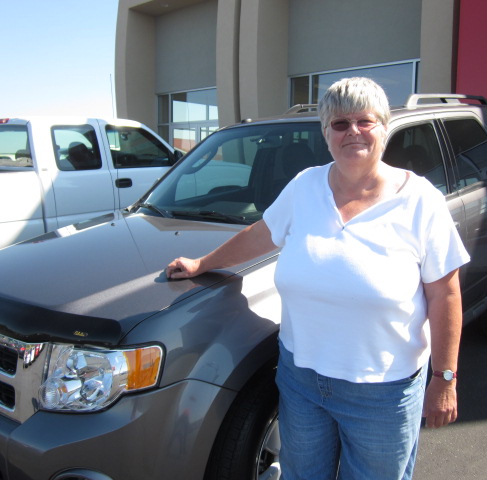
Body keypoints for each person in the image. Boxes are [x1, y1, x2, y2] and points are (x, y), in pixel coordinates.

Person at [166, 77, 470, 480]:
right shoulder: (305, 185)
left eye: (366, 121)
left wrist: (444, 378)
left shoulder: (420, 200)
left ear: (384, 127)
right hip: (302, 381)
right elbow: (261, 233)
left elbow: (446, 296)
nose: (354, 132)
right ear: (326, 134)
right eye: (340, 124)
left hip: (382, 392)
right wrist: (203, 263)